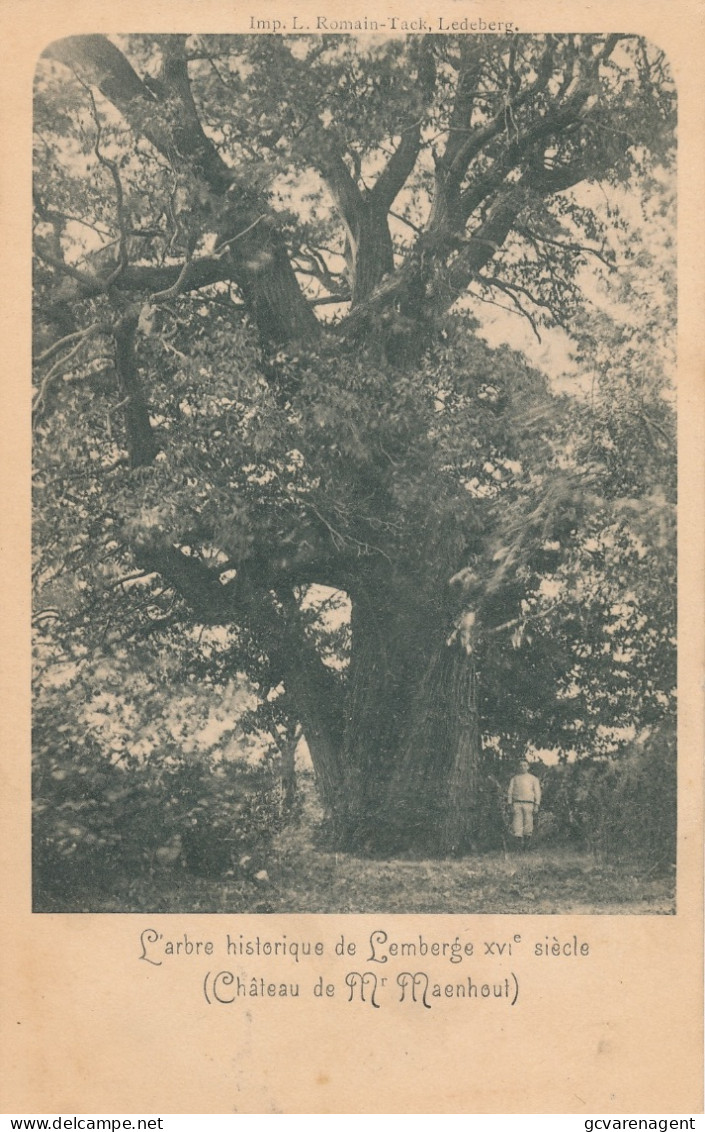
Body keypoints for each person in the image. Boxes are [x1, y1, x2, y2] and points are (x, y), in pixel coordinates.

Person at [507, 758, 541, 849]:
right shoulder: (515, 778)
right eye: (521, 765)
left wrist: (537, 804)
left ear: (528, 767)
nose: (523, 767)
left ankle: (526, 847)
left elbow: (537, 792)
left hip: (529, 804)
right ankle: (518, 847)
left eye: (525, 765)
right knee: (517, 825)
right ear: (518, 767)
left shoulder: (533, 778)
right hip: (517, 803)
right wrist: (510, 804)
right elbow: (510, 792)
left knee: (528, 824)